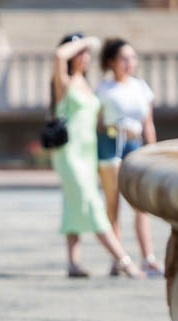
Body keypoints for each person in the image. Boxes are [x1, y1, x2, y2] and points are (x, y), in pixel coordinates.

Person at [50, 33, 144, 279]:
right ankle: (124, 260)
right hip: (69, 153)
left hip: (88, 152)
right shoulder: (64, 82)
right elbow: (59, 55)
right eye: (79, 54)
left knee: (73, 204)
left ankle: (73, 263)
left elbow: (98, 122)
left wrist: (119, 129)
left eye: (86, 54)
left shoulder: (88, 85)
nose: (84, 57)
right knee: (92, 204)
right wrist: (85, 41)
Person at [96, 38, 164, 277]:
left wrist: (154, 153)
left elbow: (149, 124)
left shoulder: (141, 87)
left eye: (132, 58)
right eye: (124, 58)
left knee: (140, 204)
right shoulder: (104, 89)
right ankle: (120, 259)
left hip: (134, 144)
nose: (129, 63)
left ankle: (148, 257)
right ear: (112, 62)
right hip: (111, 143)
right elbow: (97, 123)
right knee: (113, 205)